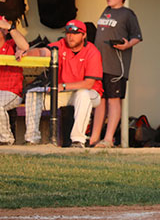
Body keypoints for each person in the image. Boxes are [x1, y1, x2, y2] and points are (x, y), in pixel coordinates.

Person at [23, 20, 103, 148]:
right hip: (65, 92)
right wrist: (25, 53)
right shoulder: (61, 44)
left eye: (75, 33)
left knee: (83, 94)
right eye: (68, 33)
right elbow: (43, 52)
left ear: (84, 35)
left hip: (91, 93)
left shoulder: (92, 51)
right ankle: (32, 139)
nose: (70, 36)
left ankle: (78, 140)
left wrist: (63, 86)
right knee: (33, 94)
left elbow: (88, 84)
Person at [89, 0, 142, 148]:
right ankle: (94, 138)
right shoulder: (107, 11)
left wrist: (126, 45)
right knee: (100, 101)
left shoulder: (127, 14)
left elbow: (137, 36)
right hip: (99, 64)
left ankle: (108, 138)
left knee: (113, 100)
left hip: (115, 66)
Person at [0, 16, 29, 145]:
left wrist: (10, 27)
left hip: (11, 92)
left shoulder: (12, 45)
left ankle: (6, 139)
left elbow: (25, 46)